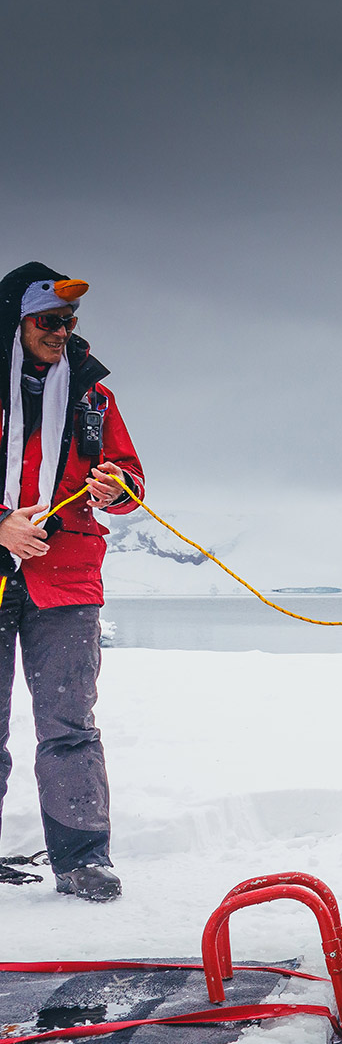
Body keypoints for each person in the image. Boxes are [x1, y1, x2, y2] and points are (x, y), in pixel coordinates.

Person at [0, 262, 146, 901]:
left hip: (67, 582)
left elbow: (131, 482)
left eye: (68, 322)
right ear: (16, 322)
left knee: (68, 727)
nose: (61, 332)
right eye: (47, 321)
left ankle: (84, 861)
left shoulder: (94, 394)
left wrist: (116, 488)